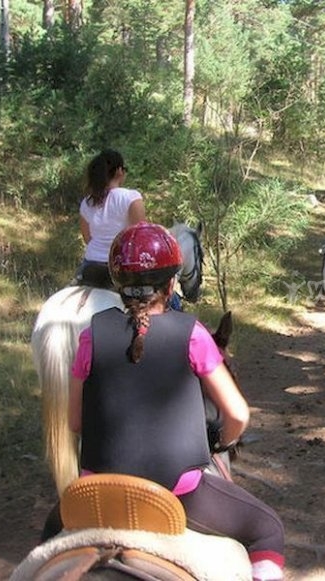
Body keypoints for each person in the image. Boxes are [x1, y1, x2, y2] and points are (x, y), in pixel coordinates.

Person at [48, 223, 286, 581]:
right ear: (171, 284)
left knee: (47, 545)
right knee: (268, 529)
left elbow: (76, 422)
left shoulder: (90, 335)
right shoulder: (192, 332)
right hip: (180, 492)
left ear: (118, 286)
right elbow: (236, 413)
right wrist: (221, 440)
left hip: (100, 490)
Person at [74, 149, 146, 287]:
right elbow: (140, 238)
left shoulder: (87, 202)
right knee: (164, 299)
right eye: (124, 169)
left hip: (91, 264)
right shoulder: (131, 197)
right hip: (122, 266)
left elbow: (87, 238)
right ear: (119, 171)